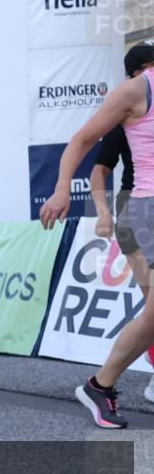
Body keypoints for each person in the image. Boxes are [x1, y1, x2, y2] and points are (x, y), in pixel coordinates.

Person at [40, 43, 154, 429]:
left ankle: (100, 385)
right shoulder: (136, 89)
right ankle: (99, 385)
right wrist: (61, 190)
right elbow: (82, 142)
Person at [90, 43, 154, 406]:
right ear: (134, 73)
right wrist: (103, 213)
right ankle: (105, 384)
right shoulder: (126, 113)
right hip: (134, 210)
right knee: (153, 307)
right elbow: (99, 171)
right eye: (147, 66)